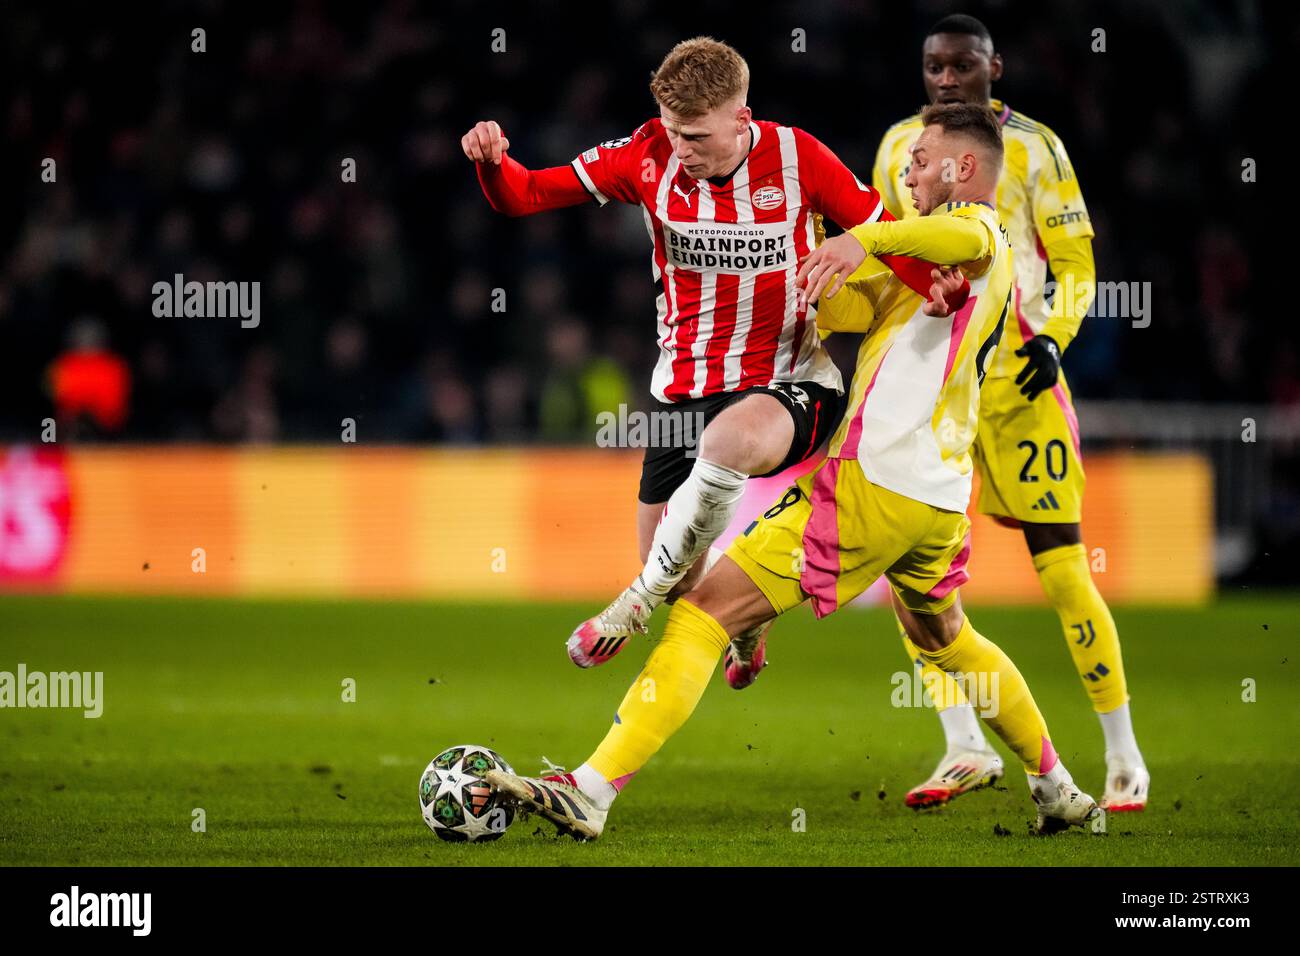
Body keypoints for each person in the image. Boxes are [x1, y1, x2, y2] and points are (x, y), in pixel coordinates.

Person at [485, 103, 1098, 840]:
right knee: (947, 638)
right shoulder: (931, 272)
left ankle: (589, 790)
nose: (905, 165)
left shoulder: (983, 229)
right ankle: (1058, 786)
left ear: (964, 168)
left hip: (873, 483)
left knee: (701, 613)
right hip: (936, 498)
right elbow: (858, 305)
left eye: (922, 156)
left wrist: (859, 238)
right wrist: (815, 270)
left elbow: (957, 234)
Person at [460, 37, 960, 674]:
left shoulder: (799, 157)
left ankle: (634, 603)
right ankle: (743, 630)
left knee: (734, 439)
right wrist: (492, 164)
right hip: (683, 393)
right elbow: (524, 194)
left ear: (741, 120)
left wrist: (936, 287)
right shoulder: (645, 155)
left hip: (792, 383)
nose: (682, 150)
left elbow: (886, 236)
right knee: (677, 584)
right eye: (674, 133)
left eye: (696, 136)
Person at [871, 14, 1148, 812]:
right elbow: (891, 249)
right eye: (934, 67)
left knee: (1062, 566)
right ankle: (963, 746)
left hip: (1020, 383)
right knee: (910, 568)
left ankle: (1124, 754)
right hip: (937, 386)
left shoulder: (1036, 147)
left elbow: (1076, 261)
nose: (947, 79)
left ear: (995, 66)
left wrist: (1055, 339)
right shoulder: (899, 147)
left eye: (962, 65)